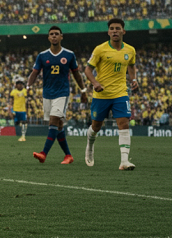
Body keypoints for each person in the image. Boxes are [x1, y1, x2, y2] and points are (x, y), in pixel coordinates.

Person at [27, 26, 87, 164]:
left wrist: (83, 90)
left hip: (62, 93)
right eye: (51, 34)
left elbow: (76, 74)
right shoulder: (42, 56)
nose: (54, 36)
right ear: (48, 37)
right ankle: (68, 155)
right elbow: (35, 72)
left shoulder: (69, 54)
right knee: (58, 125)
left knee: (53, 121)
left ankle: (43, 153)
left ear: (61, 36)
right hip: (47, 93)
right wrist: (28, 86)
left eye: (56, 34)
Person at [83, 18, 138, 170]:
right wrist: (95, 83)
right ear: (108, 32)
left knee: (124, 123)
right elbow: (88, 69)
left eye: (117, 28)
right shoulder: (100, 49)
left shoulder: (130, 50)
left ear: (123, 31)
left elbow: (131, 66)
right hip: (101, 94)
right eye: (112, 28)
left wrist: (133, 79)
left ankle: (124, 161)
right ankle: (90, 146)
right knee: (96, 126)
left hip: (120, 92)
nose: (115, 31)